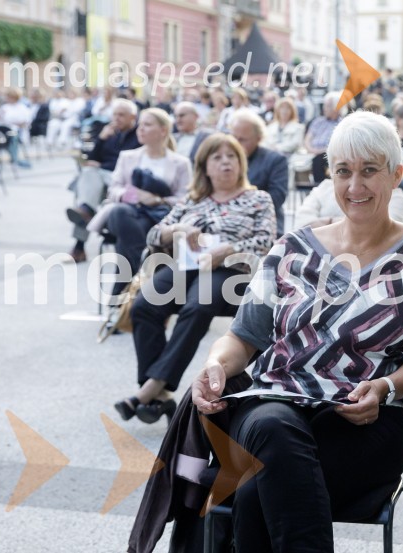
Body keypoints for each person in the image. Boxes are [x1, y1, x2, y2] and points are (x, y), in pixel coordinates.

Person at [191, 110, 403, 552]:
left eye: (370, 171)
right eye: (343, 172)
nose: (355, 187)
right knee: (272, 431)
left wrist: (386, 386)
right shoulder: (291, 249)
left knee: (257, 483)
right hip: (274, 406)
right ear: (329, 176)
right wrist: (215, 365)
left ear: (397, 175)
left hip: (365, 422)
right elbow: (243, 337)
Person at [114, 133, 277, 424]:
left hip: (231, 269)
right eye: (217, 157)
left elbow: (266, 240)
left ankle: (150, 389)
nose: (225, 162)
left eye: (231, 157)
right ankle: (160, 395)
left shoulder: (258, 198)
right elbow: (154, 234)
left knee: (197, 305)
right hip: (188, 265)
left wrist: (230, 249)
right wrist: (176, 229)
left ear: (241, 164)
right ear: (205, 167)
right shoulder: (193, 199)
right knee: (144, 305)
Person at [88, 108, 192, 294]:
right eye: (140, 124)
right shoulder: (128, 157)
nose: (140, 129)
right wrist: (135, 197)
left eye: (147, 124)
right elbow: (114, 189)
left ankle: (121, 298)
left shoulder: (180, 163)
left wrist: (157, 199)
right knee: (120, 213)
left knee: (126, 241)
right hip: (126, 213)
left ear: (163, 130)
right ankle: (148, 271)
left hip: (160, 217)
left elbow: (186, 199)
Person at [66, 98, 140, 262]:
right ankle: (85, 210)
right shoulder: (110, 133)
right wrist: (100, 138)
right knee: (89, 174)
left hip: (123, 181)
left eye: (121, 115)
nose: (116, 119)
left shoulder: (139, 136)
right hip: (101, 178)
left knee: (87, 197)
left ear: (132, 117)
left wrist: (102, 164)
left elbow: (129, 163)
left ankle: (79, 247)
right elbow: (92, 158)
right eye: (114, 115)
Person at [229, 108, 288, 236]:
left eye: (242, 139)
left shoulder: (275, 160)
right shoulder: (224, 159)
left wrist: (239, 209)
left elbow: (277, 197)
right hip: (228, 223)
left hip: (262, 224)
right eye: (234, 137)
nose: (236, 144)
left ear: (259, 138)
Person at [294, 177, 403, 228]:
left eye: (368, 170)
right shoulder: (325, 187)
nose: (354, 187)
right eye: (344, 170)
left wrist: (328, 222)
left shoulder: (393, 194)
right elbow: (301, 224)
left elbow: (385, 232)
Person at [304, 91, 346, 184]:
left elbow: (339, 145)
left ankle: (320, 186)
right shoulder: (317, 121)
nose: (324, 108)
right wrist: (312, 150)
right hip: (310, 153)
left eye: (328, 106)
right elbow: (307, 140)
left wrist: (320, 152)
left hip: (329, 155)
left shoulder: (343, 124)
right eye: (325, 105)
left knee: (320, 159)